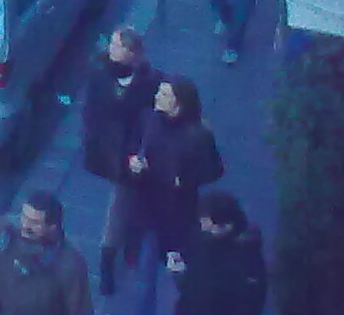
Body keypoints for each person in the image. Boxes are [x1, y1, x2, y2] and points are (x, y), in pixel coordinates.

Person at [122, 78, 225, 315]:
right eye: (159, 91)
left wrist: (187, 179)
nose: (157, 95)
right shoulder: (148, 120)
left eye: (164, 93)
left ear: (178, 104)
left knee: (175, 278)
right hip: (147, 208)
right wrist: (133, 162)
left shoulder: (198, 135)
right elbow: (132, 146)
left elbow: (215, 169)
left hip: (177, 215)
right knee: (145, 278)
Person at [81, 26, 160, 296]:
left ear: (131, 52)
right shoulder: (99, 72)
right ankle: (110, 257)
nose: (110, 48)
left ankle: (118, 251)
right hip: (110, 150)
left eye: (117, 45)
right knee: (120, 204)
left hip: (134, 151)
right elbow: (91, 111)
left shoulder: (150, 80)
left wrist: (138, 151)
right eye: (112, 43)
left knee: (127, 204)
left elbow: (152, 119)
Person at [0, 190, 93, 315]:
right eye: (24, 217)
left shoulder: (70, 264)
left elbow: (80, 310)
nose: (25, 226)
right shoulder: (2, 229)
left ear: (53, 227)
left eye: (35, 222)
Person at [170, 189, 266, 315]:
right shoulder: (202, 239)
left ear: (226, 225)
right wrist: (179, 265)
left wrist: (184, 276)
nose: (203, 227)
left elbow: (208, 295)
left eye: (207, 224)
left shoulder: (245, 257)